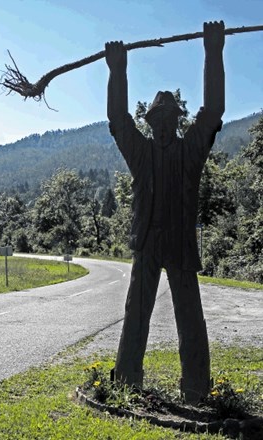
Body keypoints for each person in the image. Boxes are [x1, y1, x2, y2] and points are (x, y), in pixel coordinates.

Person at [105, 21, 225, 404]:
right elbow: (119, 121)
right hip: (147, 243)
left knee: (189, 318)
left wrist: (213, 52)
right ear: (151, 122)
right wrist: (118, 72)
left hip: (180, 244)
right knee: (136, 314)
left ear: (176, 122)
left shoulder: (189, 154)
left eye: (168, 120)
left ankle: (196, 390)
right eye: (156, 121)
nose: (161, 126)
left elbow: (213, 110)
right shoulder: (140, 155)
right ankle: (126, 382)